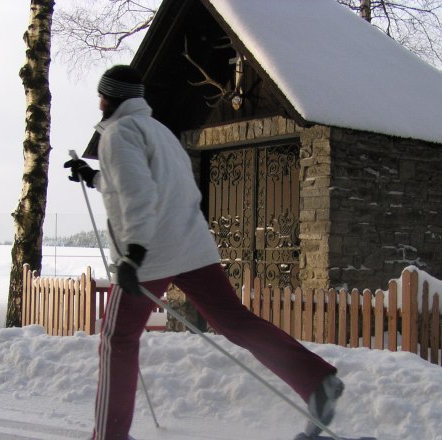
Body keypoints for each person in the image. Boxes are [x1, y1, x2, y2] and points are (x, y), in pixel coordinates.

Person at [65, 65, 343, 440]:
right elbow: (143, 186)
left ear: (109, 97)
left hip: (150, 253)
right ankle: (316, 381)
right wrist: (93, 176)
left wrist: (132, 253)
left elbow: (138, 195)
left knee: (118, 338)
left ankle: (109, 437)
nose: (98, 102)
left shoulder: (117, 135)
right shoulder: (159, 132)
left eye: (101, 95)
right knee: (235, 321)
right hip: (192, 244)